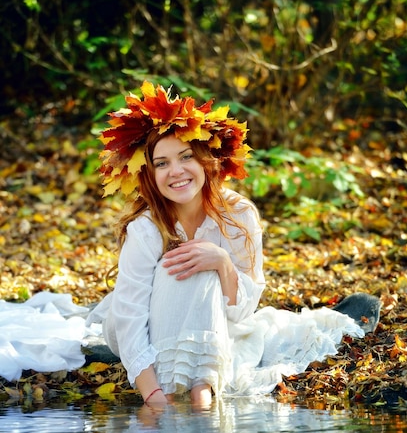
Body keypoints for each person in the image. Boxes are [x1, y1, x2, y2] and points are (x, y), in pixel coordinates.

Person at [88, 80, 373, 408]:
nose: (176, 171)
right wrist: (154, 395)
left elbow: (242, 312)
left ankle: (202, 390)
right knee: (179, 266)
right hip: (145, 326)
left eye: (186, 157)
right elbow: (130, 316)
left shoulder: (238, 214)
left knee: (207, 264)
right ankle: (187, 391)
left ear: (207, 160)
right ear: (148, 173)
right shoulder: (146, 228)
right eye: (161, 163)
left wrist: (223, 263)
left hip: (214, 326)